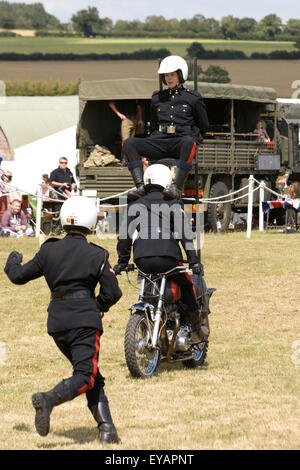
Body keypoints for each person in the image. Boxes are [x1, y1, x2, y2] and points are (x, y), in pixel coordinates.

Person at [4, 196, 122, 444]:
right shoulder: (97, 254)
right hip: (84, 323)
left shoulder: (48, 249)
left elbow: (17, 276)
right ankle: (48, 399)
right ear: (90, 222)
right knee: (86, 375)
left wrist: (13, 259)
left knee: (91, 374)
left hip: (57, 325)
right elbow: (113, 293)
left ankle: (107, 430)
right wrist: (96, 307)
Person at [114, 164, 206, 344]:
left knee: (148, 286)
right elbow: (185, 235)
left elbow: (124, 237)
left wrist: (122, 261)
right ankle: (195, 329)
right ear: (166, 181)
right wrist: (193, 260)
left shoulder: (135, 204)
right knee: (187, 285)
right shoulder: (173, 203)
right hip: (168, 258)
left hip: (141, 259)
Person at [123, 56, 209, 199]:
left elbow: (203, 125)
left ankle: (177, 188)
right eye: (166, 75)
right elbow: (154, 122)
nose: (169, 78)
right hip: (160, 140)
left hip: (180, 143)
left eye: (172, 75)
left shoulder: (193, 98)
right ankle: (140, 187)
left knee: (189, 141)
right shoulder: (157, 97)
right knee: (129, 143)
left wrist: (193, 139)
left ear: (180, 75)